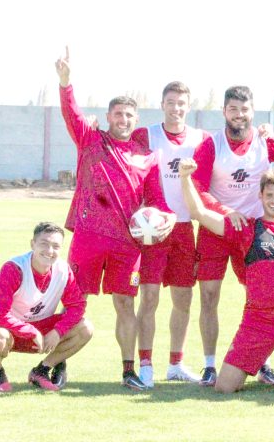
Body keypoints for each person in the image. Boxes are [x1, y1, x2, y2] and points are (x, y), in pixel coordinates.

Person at [55, 47, 175, 391]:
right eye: (118, 114)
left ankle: (128, 370)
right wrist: (66, 83)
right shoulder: (91, 140)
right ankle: (58, 363)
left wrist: (166, 219)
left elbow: (159, 202)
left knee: (126, 303)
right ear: (108, 117)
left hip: (127, 243)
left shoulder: (147, 157)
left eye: (129, 115)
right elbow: (71, 113)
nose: (124, 120)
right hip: (89, 237)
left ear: (136, 120)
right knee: (74, 301)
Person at [179, 158, 274, 394]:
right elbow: (199, 213)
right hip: (257, 322)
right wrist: (185, 178)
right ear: (260, 196)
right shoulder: (247, 229)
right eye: (269, 195)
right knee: (225, 388)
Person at [190, 85, 274, 386]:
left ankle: (263, 363)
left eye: (244, 110)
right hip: (216, 228)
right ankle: (209, 365)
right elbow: (198, 188)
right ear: (224, 111)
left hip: (254, 231)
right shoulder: (211, 145)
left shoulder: (265, 140)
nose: (239, 115)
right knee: (209, 296)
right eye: (233, 109)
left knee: (259, 298)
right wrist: (224, 210)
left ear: (252, 111)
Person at [133, 81, 210, 387]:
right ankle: (146, 364)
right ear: (162, 104)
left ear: (188, 107)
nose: (176, 108)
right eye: (171, 102)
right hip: (152, 230)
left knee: (183, 299)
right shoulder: (146, 135)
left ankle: (176, 364)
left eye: (181, 103)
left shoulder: (201, 139)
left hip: (184, 228)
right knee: (149, 297)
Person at [0, 222, 93, 392]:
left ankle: (42, 371)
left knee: (85, 328)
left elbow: (77, 306)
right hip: (5, 328)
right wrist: (30, 331)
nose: (49, 250)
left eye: (56, 246)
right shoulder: (14, 268)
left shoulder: (63, 270)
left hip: (41, 327)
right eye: (44, 244)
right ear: (32, 244)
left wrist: (58, 331)